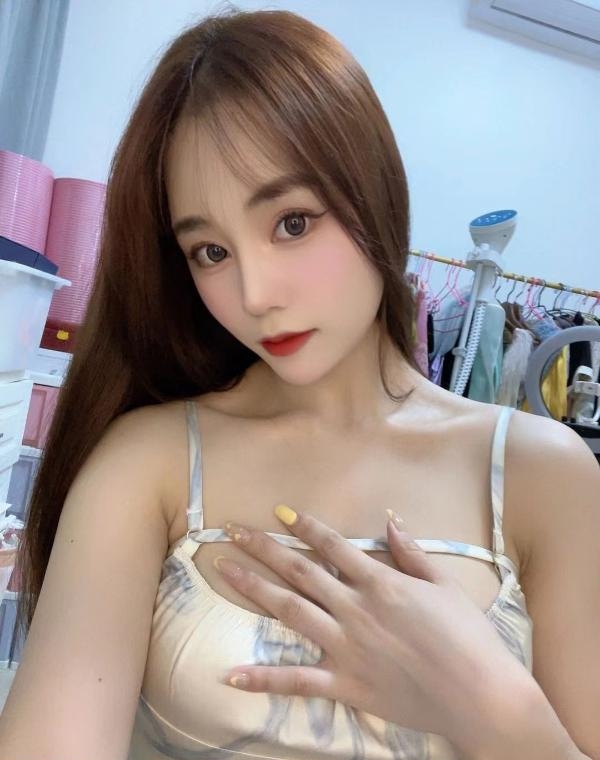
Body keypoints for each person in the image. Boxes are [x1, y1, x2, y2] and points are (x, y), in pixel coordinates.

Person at [0, 6, 598, 760]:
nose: (254, 294)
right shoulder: (148, 460)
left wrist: (492, 705)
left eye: (291, 222)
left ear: (375, 190)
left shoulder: (543, 475)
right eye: (211, 251)